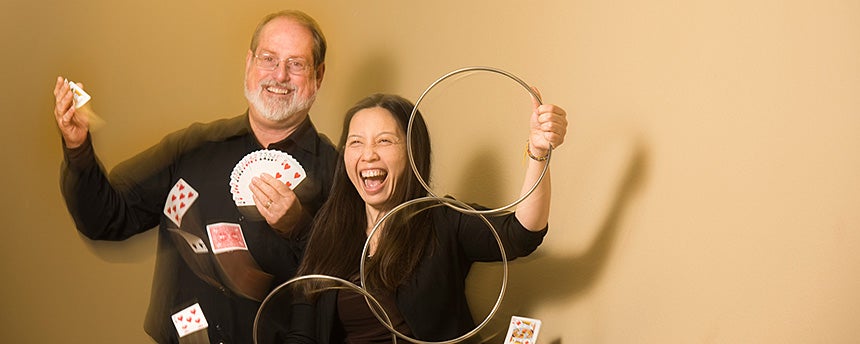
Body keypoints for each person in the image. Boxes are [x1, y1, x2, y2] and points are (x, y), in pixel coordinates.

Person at [52, 10, 338, 343]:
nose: (279, 75)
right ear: (249, 63)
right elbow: (105, 220)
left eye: (296, 64)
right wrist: (78, 148)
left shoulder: (338, 172)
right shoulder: (193, 148)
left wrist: (299, 227)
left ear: (318, 75)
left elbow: (342, 287)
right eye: (268, 59)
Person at [283, 93, 567, 343]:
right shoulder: (328, 231)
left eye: (384, 141)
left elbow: (522, 233)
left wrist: (538, 153)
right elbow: (303, 333)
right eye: (356, 142)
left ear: (412, 151)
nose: (368, 155)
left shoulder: (442, 220)